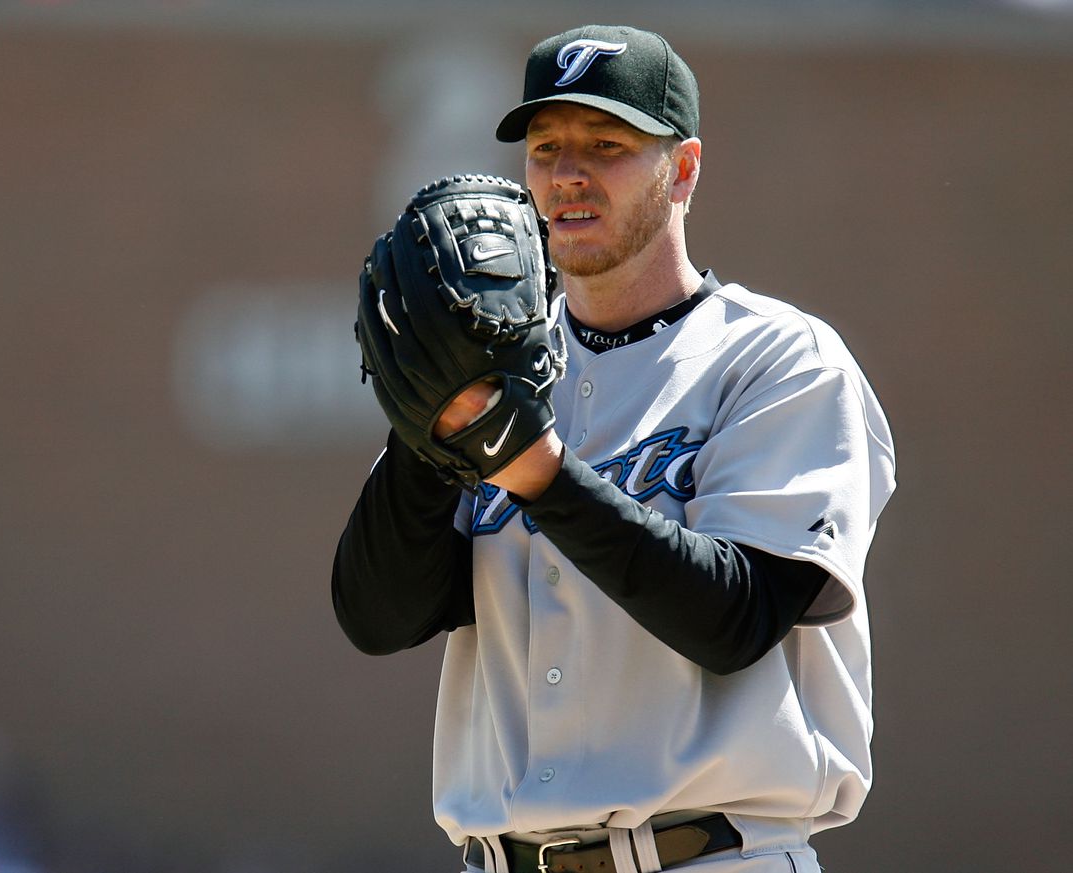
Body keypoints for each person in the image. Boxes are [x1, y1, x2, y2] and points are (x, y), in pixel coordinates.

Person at [333, 24, 896, 873]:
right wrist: (428, 440)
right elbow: (378, 617)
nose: (568, 173)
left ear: (683, 168)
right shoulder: (503, 363)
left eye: (609, 144)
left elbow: (734, 617)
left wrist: (538, 473)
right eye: (547, 146)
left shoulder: (777, 360)